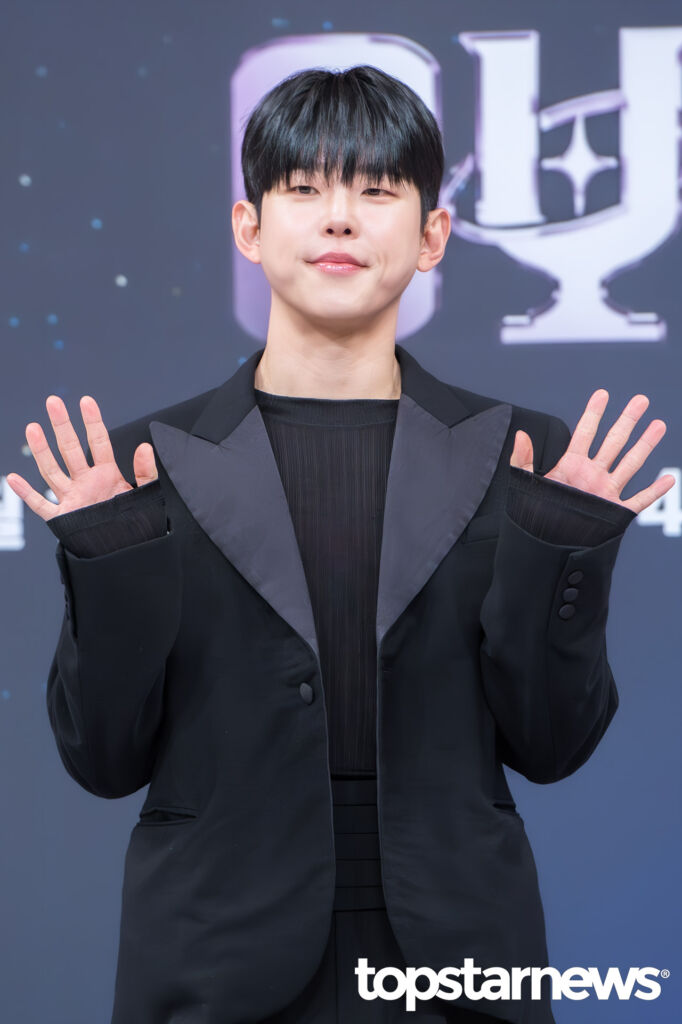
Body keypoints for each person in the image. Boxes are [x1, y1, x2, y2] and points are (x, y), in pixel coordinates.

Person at [7, 66, 673, 1024]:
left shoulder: (523, 455)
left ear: (433, 235)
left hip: (459, 966)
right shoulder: (142, 466)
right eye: (304, 187)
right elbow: (102, 758)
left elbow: (553, 743)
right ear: (249, 227)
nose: (339, 219)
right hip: (214, 960)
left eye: (376, 190)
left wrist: (565, 544)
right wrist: (111, 558)